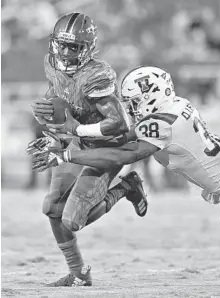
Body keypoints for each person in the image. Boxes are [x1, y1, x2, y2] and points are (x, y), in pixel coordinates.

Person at [32, 66, 220, 260]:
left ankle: (127, 187)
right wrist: (71, 137)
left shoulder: (161, 124)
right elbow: (121, 139)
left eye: (135, 102)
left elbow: (123, 154)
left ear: (152, 96)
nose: (131, 108)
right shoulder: (176, 105)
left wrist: (66, 156)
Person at [29, 13, 148, 287]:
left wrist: (73, 130)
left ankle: (126, 187)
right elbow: (59, 94)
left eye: (76, 47)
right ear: (54, 42)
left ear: (89, 48)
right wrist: (49, 116)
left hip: (108, 147)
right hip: (79, 139)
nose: (67, 52)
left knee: (72, 221)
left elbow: (118, 123)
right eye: (63, 45)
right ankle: (79, 272)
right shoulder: (51, 63)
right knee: (51, 207)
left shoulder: (96, 75)